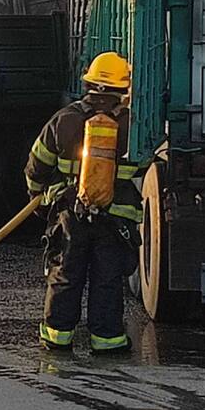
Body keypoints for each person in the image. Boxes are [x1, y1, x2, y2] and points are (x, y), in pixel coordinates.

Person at [25, 52, 143, 353]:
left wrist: (38, 199)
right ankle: (108, 340)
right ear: (123, 88)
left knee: (66, 273)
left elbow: (36, 166)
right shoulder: (133, 125)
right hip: (115, 218)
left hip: (71, 214)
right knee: (107, 278)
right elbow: (146, 165)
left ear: (89, 83)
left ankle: (56, 336)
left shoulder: (64, 119)